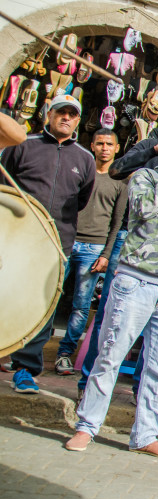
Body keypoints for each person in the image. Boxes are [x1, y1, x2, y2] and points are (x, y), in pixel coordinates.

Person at [64, 127, 158, 459]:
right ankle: (87, 426)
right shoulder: (146, 176)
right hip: (135, 281)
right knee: (109, 356)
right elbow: (142, 210)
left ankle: (146, 434)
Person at [2, 93, 95, 394]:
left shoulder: (84, 159)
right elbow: (5, 189)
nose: (66, 117)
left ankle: (26, 370)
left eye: (72, 114)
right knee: (7, 295)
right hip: (16, 239)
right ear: (48, 114)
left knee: (43, 306)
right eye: (60, 112)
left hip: (57, 244)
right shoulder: (22, 146)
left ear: (78, 121)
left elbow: (82, 201)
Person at [54, 128, 128, 375]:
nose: (104, 148)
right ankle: (29, 350)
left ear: (117, 148)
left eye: (109, 144)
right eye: (100, 143)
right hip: (66, 241)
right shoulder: (82, 172)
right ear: (92, 146)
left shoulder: (121, 181)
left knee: (81, 304)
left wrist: (106, 254)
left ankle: (64, 353)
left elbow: (117, 223)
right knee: (49, 296)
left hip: (94, 248)